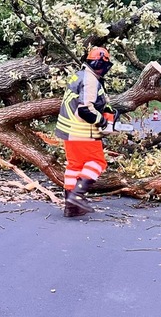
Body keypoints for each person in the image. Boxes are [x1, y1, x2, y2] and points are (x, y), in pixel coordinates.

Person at [54, 46, 114, 217]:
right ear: (100, 63)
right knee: (98, 162)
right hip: (82, 131)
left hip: (68, 131)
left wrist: (107, 110)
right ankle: (77, 196)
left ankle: (70, 207)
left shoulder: (78, 76)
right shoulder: (90, 80)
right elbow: (85, 110)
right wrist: (102, 121)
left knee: (75, 166)